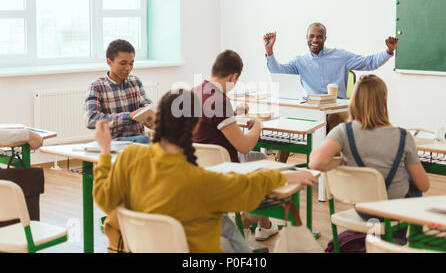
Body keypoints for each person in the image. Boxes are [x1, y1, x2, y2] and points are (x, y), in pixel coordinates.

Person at [93, 89, 317, 253]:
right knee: (225, 226)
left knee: (224, 224)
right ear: (196, 126)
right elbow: (247, 188)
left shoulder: (130, 157)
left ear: (156, 119)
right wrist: (283, 174)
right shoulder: (201, 182)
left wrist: (105, 152)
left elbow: (104, 198)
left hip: (140, 246)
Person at [309, 75, 429, 243]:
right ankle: (396, 241)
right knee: (412, 181)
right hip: (393, 211)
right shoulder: (403, 136)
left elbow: (315, 162)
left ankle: (376, 238)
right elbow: (424, 185)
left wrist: (340, 161)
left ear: (354, 100)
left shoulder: (344, 131)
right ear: (384, 100)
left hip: (363, 209)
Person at [263, 23, 399, 161]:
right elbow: (279, 72)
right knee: (289, 125)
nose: (315, 40)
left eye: (319, 37)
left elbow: (369, 62)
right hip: (313, 108)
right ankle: (279, 169)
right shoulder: (300, 61)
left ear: (325, 38)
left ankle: (333, 168)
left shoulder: (340, 56)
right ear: (306, 38)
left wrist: (388, 52)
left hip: (336, 108)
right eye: (312, 36)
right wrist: (269, 52)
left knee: (336, 121)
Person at [193, 50, 280, 242]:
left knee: (260, 160)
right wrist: (257, 126)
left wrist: (235, 111)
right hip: (224, 169)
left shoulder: (196, 91)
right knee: (263, 165)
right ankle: (241, 224)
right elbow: (244, 146)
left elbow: (210, 119)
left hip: (199, 166)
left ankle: (264, 226)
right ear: (234, 77)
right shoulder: (220, 100)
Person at [84, 39, 153, 144]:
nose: (128, 68)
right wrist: (128, 116)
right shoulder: (96, 86)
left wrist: (150, 118)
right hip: (112, 143)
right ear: (109, 62)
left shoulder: (135, 81)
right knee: (143, 140)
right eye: (123, 63)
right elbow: (90, 120)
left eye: (131, 63)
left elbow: (147, 106)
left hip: (138, 140)